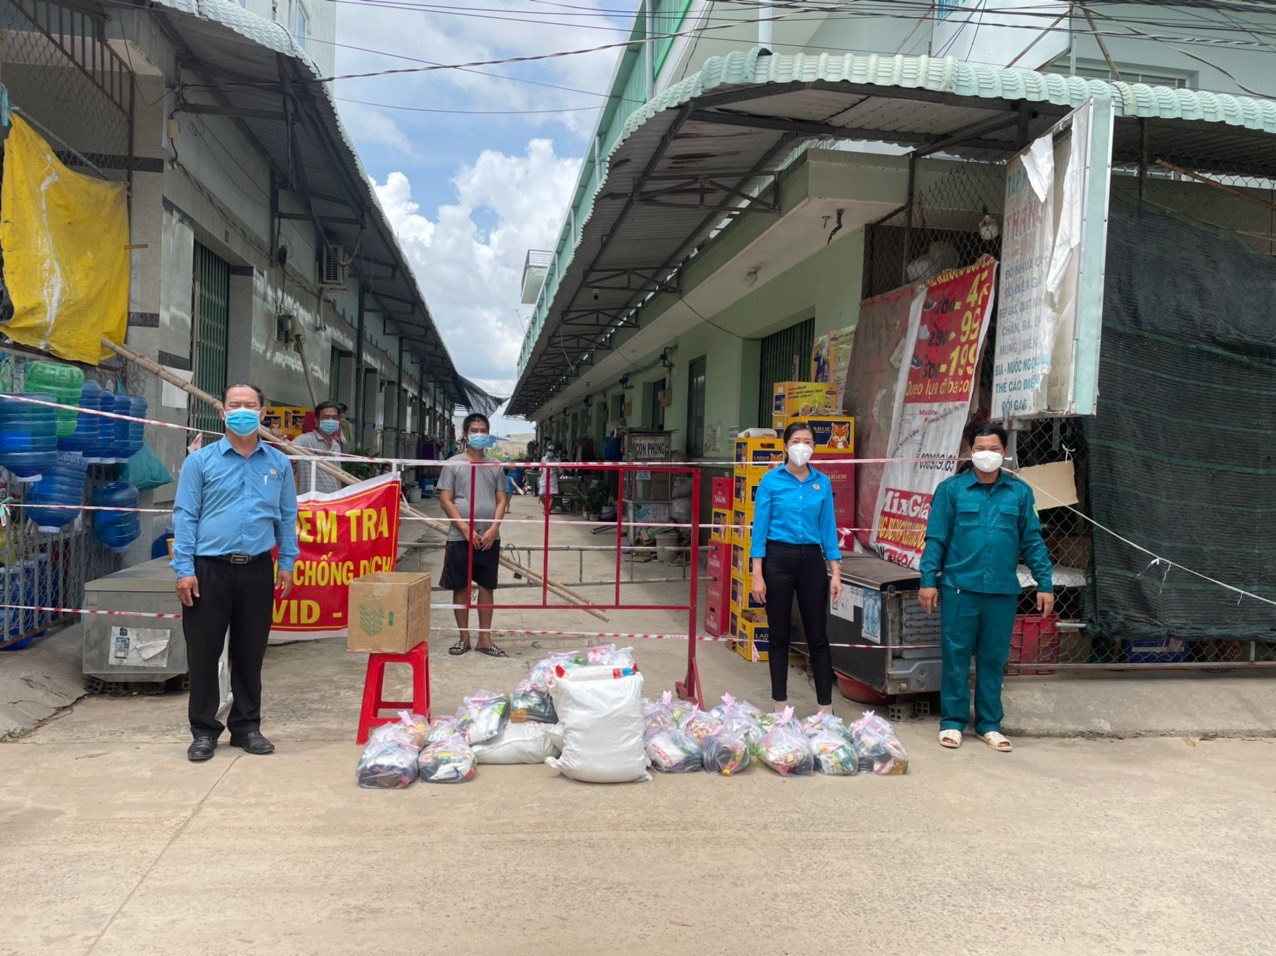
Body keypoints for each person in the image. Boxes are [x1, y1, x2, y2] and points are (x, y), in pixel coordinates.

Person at [172, 384, 299, 762]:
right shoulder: (201, 461)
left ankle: (247, 727)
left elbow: (288, 517)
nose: (242, 411)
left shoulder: (277, 463)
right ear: (223, 413)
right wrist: (184, 569)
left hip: (258, 568)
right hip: (208, 570)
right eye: (235, 405)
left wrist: (288, 563)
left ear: (262, 414)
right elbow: (185, 515)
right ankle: (204, 731)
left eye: (250, 405)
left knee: (250, 652)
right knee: (204, 652)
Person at [918, 422, 1055, 754]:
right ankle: (952, 722)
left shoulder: (1020, 493)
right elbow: (936, 538)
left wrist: (1045, 583)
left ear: (1004, 452)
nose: (986, 455)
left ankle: (989, 725)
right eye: (980, 449)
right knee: (956, 657)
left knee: (994, 659)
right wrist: (927, 581)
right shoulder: (951, 491)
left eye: (993, 449)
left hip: (1001, 591)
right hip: (958, 588)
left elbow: (1033, 542)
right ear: (969, 451)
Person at [749, 422, 844, 714]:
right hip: (778, 559)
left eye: (808, 441)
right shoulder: (770, 481)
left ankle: (825, 710)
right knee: (779, 634)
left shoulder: (822, 482)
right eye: (797, 440)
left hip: (812, 562)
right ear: (785, 446)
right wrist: (757, 574)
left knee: (818, 634)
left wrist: (836, 570)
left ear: (814, 447)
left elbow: (828, 528)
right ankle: (780, 707)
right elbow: (760, 529)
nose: (803, 446)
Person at [439, 412, 508, 658]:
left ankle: (485, 639)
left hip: (489, 536)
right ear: (465, 435)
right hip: (460, 537)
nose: (479, 435)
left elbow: (502, 500)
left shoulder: (494, 466)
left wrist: (493, 529)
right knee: (460, 586)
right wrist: (465, 529)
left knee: (487, 586)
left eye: (483, 430)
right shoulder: (453, 463)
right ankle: (464, 637)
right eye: (474, 431)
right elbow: (446, 500)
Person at [290, 400, 345, 495]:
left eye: (334, 418)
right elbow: (286, 449)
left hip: (332, 502)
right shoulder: (306, 440)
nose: (330, 420)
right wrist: (278, 438)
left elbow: (338, 477)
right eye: (326, 417)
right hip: (312, 503)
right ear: (316, 420)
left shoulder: (336, 445)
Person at [539, 442, 561, 513]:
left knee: (551, 496)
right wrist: (540, 478)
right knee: (541, 495)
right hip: (544, 479)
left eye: (552, 451)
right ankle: (547, 507)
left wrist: (558, 478)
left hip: (553, 479)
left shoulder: (557, 460)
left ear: (554, 452)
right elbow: (541, 470)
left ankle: (548, 511)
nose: (550, 452)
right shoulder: (543, 459)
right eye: (549, 450)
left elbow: (560, 471)